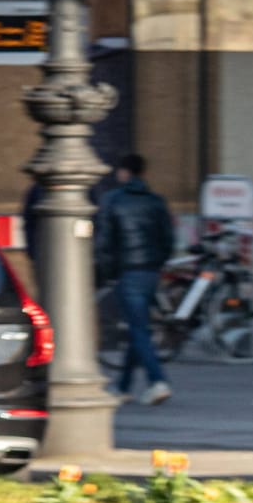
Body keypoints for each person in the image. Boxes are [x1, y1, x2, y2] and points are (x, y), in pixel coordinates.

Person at [95, 153, 176, 406]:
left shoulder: (112, 201)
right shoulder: (156, 201)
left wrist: (106, 273)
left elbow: (105, 243)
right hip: (150, 273)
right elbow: (168, 239)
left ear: (123, 172)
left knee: (138, 329)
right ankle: (123, 386)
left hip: (127, 273)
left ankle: (157, 381)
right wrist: (157, 263)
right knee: (137, 328)